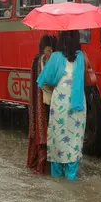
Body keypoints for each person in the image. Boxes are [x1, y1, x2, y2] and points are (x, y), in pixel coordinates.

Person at [37, 30, 87, 181]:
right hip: (78, 104)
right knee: (74, 139)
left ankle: (56, 177)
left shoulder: (56, 57)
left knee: (57, 138)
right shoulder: (82, 57)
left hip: (60, 101)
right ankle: (71, 176)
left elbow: (44, 80)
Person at [26, 34, 57, 175]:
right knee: (42, 133)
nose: (48, 53)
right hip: (41, 104)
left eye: (50, 50)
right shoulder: (38, 61)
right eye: (46, 50)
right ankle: (42, 165)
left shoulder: (53, 61)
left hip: (51, 102)